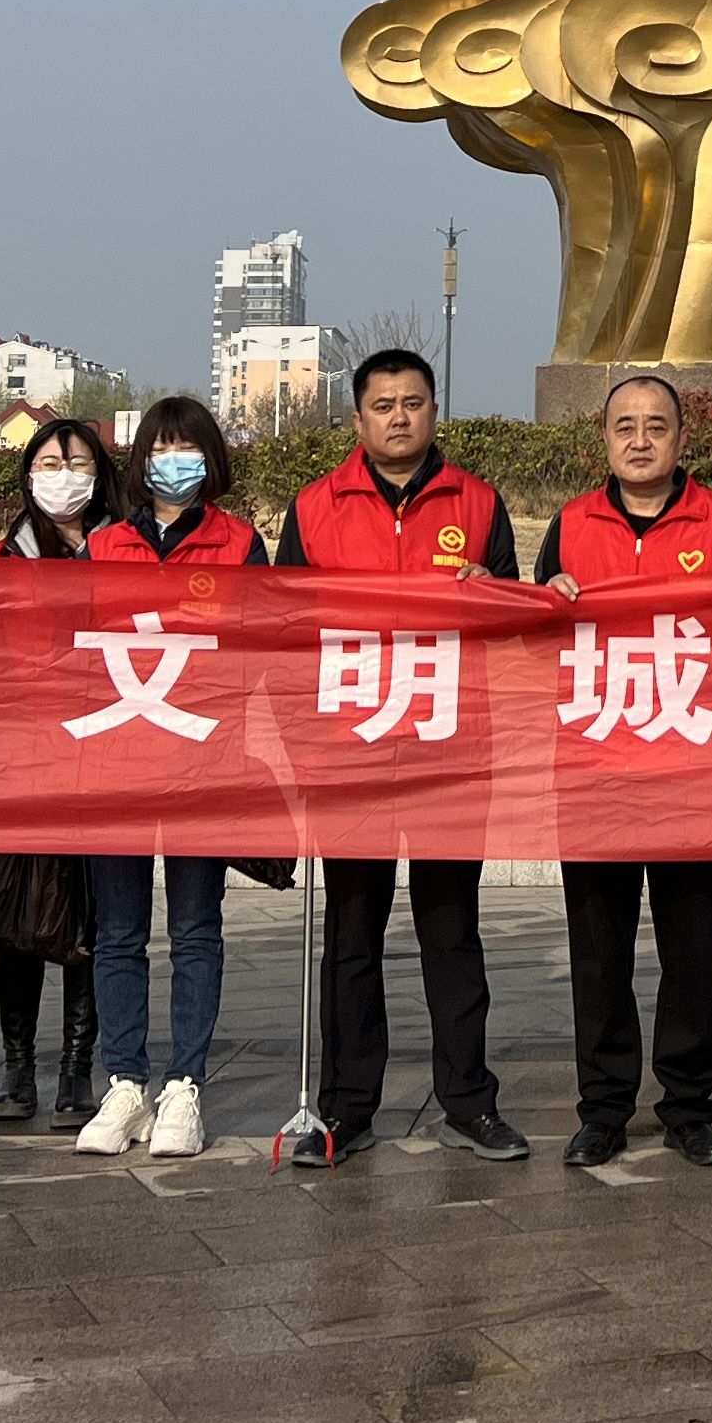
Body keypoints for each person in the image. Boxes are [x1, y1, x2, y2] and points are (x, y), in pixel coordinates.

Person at [289, 349, 529, 1164]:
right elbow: (284, 631)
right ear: (358, 419)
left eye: (414, 402)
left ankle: (468, 1102)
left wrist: (485, 589)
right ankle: (346, 1109)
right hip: (350, 752)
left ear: (434, 411)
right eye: (384, 405)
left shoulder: (478, 502)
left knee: (451, 932)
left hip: (448, 751)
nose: (400, 417)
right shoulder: (316, 507)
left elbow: (513, 623)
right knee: (352, 935)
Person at [533, 372, 712, 1168]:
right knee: (600, 951)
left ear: (682, 438)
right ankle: (604, 1108)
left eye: (657, 425)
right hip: (597, 770)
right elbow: (537, 644)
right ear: (605, 440)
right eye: (625, 426)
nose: (641, 439)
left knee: (693, 949)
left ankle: (690, 1106)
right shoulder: (570, 525)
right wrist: (546, 599)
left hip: (694, 769)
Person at [68, 397, 267, 1161]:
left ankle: (184, 1085)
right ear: (141, 461)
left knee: (195, 930)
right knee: (117, 934)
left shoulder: (239, 544)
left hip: (201, 762)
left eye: (188, 449)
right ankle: (124, 1083)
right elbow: (68, 646)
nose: (172, 462)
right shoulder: (105, 545)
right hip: (115, 763)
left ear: (210, 460)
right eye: (160, 449)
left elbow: (263, 648)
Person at [0, 415, 116, 1132]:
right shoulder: (4, 558)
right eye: (50, 463)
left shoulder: (123, 551)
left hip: (105, 751)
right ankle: (16, 1065)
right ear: (28, 474)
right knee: (22, 909)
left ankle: (76, 1066)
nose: (65, 476)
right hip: (22, 757)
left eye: (79, 462)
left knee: (91, 912)